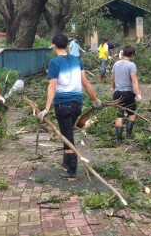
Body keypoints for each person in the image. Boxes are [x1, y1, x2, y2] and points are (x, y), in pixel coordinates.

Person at [37, 34, 102, 180]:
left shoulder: (54, 62)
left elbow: (52, 87)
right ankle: (66, 163)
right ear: (67, 45)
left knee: (67, 136)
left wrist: (46, 109)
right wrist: (95, 100)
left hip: (62, 105)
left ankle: (72, 170)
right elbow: (85, 83)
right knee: (68, 132)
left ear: (54, 45)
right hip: (76, 104)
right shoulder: (77, 60)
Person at [111, 45, 141, 142]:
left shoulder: (116, 64)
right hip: (128, 93)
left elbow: (113, 78)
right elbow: (134, 81)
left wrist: (113, 88)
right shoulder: (131, 65)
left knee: (119, 115)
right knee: (132, 113)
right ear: (132, 55)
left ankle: (119, 139)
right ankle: (129, 133)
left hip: (117, 93)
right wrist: (138, 94)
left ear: (123, 53)